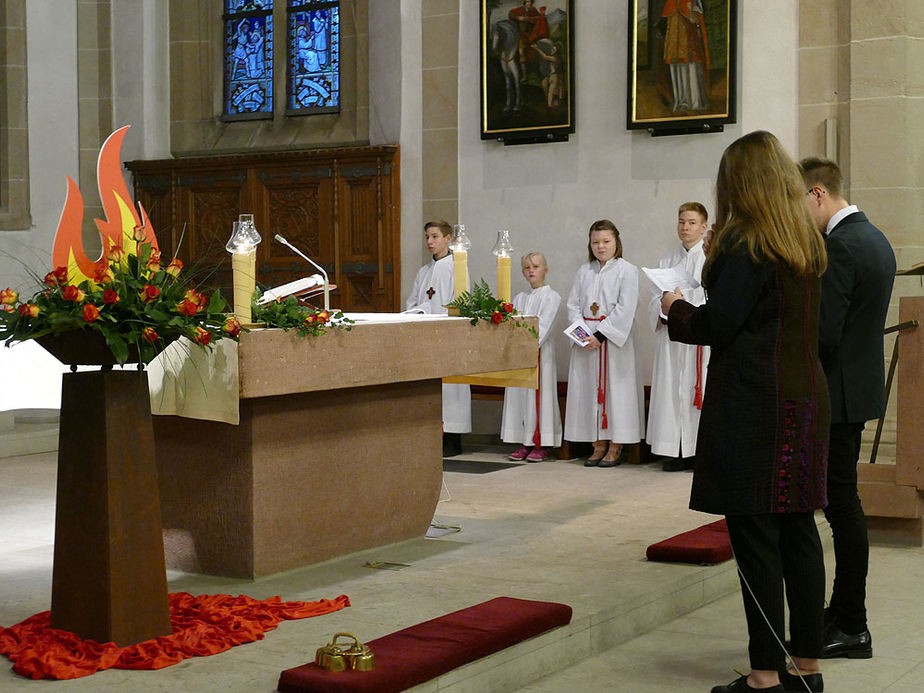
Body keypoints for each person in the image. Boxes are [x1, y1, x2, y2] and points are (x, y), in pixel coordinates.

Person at [662, 131, 829, 693]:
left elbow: (718, 325)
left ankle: (764, 675)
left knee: (755, 537)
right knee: (799, 530)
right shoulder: (805, 241)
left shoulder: (747, 244)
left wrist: (676, 306)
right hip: (803, 394)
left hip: (755, 402)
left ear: (738, 184)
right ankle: (806, 666)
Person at [800, 156, 896, 659]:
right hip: (855, 390)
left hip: (836, 396)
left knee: (842, 508)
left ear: (818, 193)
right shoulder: (874, 237)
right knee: (843, 505)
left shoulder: (840, 246)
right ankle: (841, 612)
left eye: (800, 204)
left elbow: (824, 333)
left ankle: (852, 623)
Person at [564, 220, 644, 468]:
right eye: (596, 242)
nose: (601, 246)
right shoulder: (584, 271)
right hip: (587, 342)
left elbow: (625, 307)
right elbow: (573, 306)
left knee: (616, 391)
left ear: (616, 242)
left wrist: (600, 335)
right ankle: (597, 443)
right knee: (589, 391)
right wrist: (583, 335)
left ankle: (615, 444)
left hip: (613, 343)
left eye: (606, 241)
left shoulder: (627, 271)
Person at [646, 202, 710, 472]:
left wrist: (688, 308)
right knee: (673, 391)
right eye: (682, 222)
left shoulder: (710, 258)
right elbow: (653, 299)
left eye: (692, 222)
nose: (685, 227)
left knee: (699, 390)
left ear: (704, 226)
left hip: (700, 339)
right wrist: (663, 310)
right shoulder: (666, 261)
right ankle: (677, 450)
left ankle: (701, 452)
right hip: (673, 339)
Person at [406, 220, 472, 457]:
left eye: (434, 236)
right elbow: (412, 302)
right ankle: (431, 436)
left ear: (448, 239)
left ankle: (453, 439)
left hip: (449, 335)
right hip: (426, 336)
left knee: (451, 387)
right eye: (427, 237)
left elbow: (463, 302)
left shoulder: (457, 266)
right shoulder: (423, 271)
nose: (429, 242)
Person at [501, 252, 562, 462]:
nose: (531, 270)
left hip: (539, 355)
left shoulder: (551, 297)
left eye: (536, 266)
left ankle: (540, 442)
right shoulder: (519, 298)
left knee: (539, 397)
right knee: (521, 399)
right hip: (520, 356)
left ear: (546, 269)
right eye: (527, 267)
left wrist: (527, 344)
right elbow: (511, 325)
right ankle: (524, 441)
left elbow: (544, 326)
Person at [659, 0, 710, 112]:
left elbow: (697, 4)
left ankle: (694, 100)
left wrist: (694, 11)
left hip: (688, 25)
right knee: (676, 63)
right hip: (674, 22)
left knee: (690, 63)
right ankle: (681, 100)